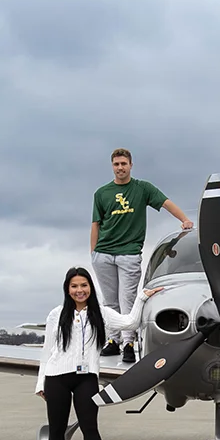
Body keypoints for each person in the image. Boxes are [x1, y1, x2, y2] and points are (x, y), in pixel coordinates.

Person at [36, 266, 164, 440]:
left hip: (86, 378)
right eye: (74, 286)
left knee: (90, 427)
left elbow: (131, 323)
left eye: (83, 285)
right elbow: (47, 351)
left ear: (90, 288)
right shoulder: (56, 314)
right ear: (67, 289)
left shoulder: (101, 313)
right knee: (56, 429)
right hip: (56, 377)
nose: (79, 290)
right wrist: (40, 383)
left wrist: (142, 297)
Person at [92, 147, 192, 363]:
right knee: (110, 302)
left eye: (123, 164)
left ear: (131, 165)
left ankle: (129, 343)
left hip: (128, 253)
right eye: (116, 164)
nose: (120, 168)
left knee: (127, 300)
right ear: (112, 166)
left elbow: (165, 202)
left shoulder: (142, 188)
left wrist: (184, 219)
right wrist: (94, 253)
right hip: (104, 253)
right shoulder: (102, 193)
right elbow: (96, 224)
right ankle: (113, 341)